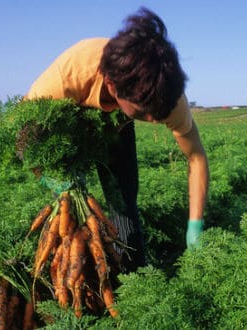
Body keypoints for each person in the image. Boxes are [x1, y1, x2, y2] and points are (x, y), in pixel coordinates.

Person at [24, 7, 209, 272]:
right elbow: (25, 138)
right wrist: (49, 176)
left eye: (160, 113)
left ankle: (133, 274)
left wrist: (195, 224)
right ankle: (76, 272)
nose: (155, 120)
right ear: (112, 85)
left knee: (123, 202)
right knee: (70, 211)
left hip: (117, 128)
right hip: (63, 130)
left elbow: (196, 156)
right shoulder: (67, 77)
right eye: (145, 111)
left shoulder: (166, 93)